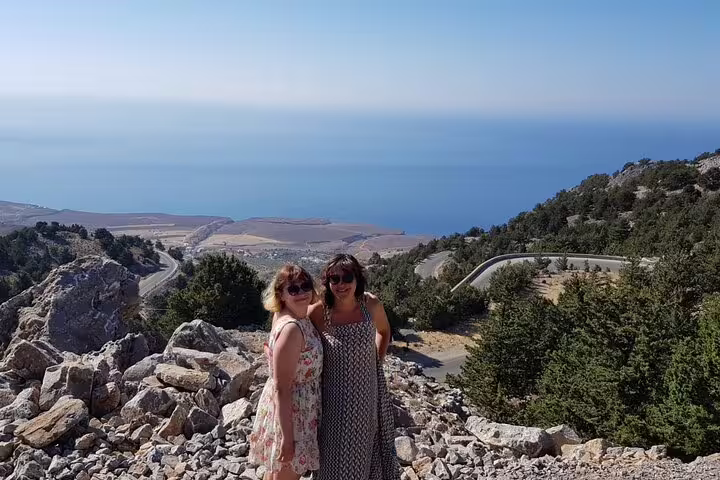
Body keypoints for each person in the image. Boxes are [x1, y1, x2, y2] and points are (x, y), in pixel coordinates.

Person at [309, 254, 401, 480]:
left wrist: (376, 363)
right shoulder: (318, 312)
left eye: (347, 277)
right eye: (334, 279)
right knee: (331, 452)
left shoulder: (371, 304)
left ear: (358, 279)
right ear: (328, 282)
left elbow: (384, 331)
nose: (341, 284)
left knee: (364, 448)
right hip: (332, 398)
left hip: (366, 394)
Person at [249, 265, 323, 480]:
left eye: (305, 286)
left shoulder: (290, 316)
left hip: (296, 408)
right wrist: (287, 439)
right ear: (281, 294)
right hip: (294, 413)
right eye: (293, 289)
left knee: (276, 473)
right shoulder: (292, 328)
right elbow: (283, 388)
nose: (301, 293)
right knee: (287, 474)